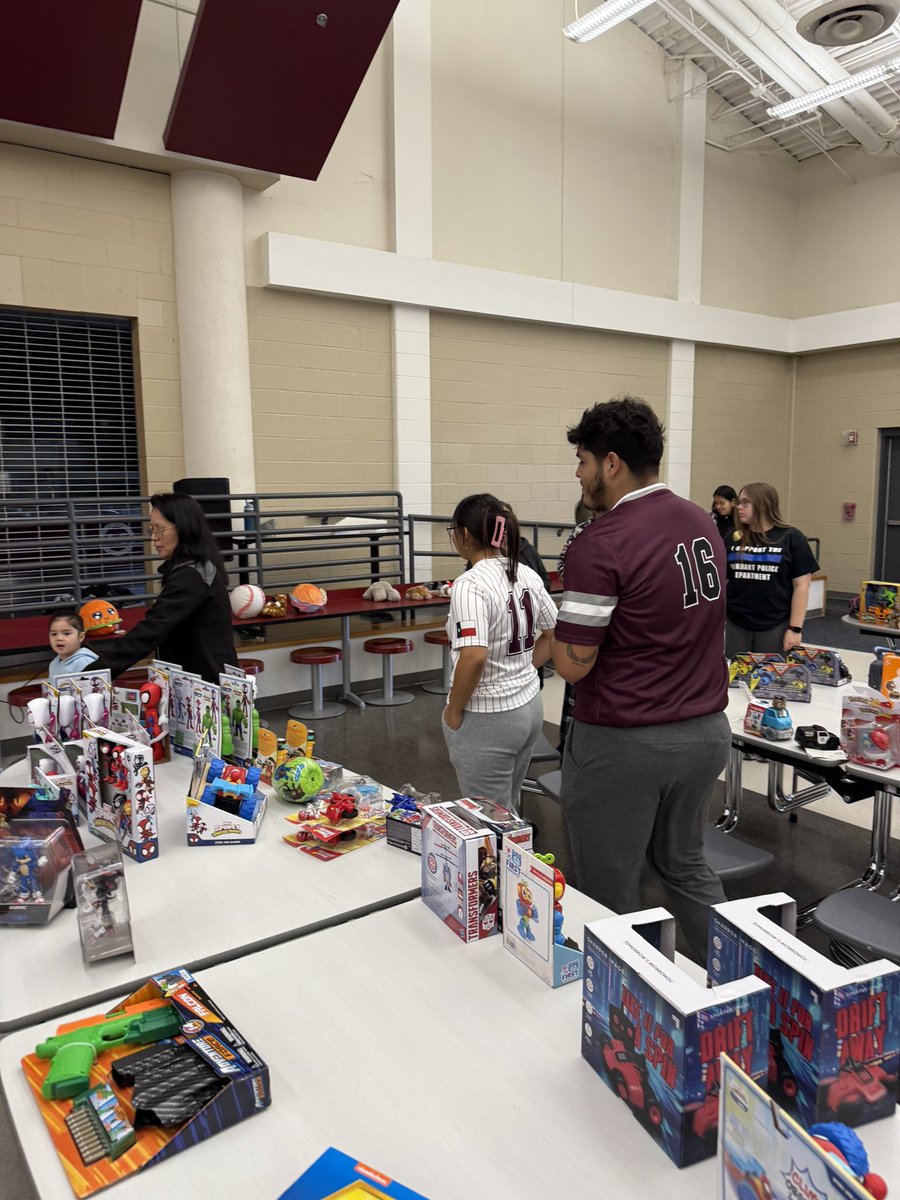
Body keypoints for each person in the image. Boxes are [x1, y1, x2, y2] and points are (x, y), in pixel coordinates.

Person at [551, 396, 730, 962]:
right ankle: (748, 987)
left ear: (610, 464)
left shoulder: (601, 541)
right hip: (704, 731)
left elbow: (573, 664)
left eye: (581, 461)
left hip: (627, 742)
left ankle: (632, 1020)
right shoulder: (700, 520)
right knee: (684, 865)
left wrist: (553, 627)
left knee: (610, 889)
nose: (577, 474)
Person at [442, 493, 557, 811]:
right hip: (530, 706)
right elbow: (555, 632)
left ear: (464, 535)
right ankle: (521, 858)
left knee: (488, 819)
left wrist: (453, 710)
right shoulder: (525, 572)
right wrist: (526, 668)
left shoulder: (470, 584)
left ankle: (512, 859)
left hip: (490, 716)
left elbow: (474, 655)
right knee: (508, 805)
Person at [92, 492, 238, 683]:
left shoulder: (192, 575)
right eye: (152, 529)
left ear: (184, 529)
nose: (154, 538)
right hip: (196, 678)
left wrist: (92, 675)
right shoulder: (195, 566)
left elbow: (152, 630)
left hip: (208, 684)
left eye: (160, 529)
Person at [725, 482, 818, 659]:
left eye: (745, 502)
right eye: (738, 502)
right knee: (735, 680)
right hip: (736, 622)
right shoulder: (733, 538)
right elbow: (724, 581)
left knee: (769, 681)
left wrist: (795, 629)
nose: (739, 507)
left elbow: (802, 587)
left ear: (763, 504)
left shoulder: (791, 537)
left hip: (775, 624)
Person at [47, 610, 99, 682]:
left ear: (81, 637)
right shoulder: (53, 664)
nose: (59, 638)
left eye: (66, 633)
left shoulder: (86, 663)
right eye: (54, 634)